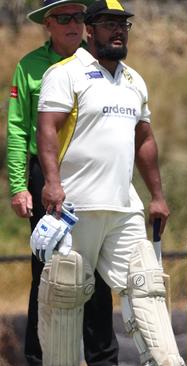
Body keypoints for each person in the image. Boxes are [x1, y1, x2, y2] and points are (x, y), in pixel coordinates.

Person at [34, 0, 185, 364]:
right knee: (66, 292)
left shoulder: (134, 80)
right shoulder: (66, 73)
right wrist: (52, 182)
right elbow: (47, 128)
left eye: (123, 25)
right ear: (89, 30)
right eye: (107, 23)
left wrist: (157, 196)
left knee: (146, 287)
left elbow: (145, 140)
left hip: (124, 207)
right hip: (75, 207)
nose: (117, 30)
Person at [6, 0, 119, 364]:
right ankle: (42, 359)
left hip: (91, 175)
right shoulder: (30, 67)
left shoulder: (101, 62)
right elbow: (18, 130)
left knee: (96, 272)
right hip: (47, 178)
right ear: (48, 25)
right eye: (64, 18)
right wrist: (19, 186)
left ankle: (101, 357)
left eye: (79, 18)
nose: (74, 24)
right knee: (48, 270)